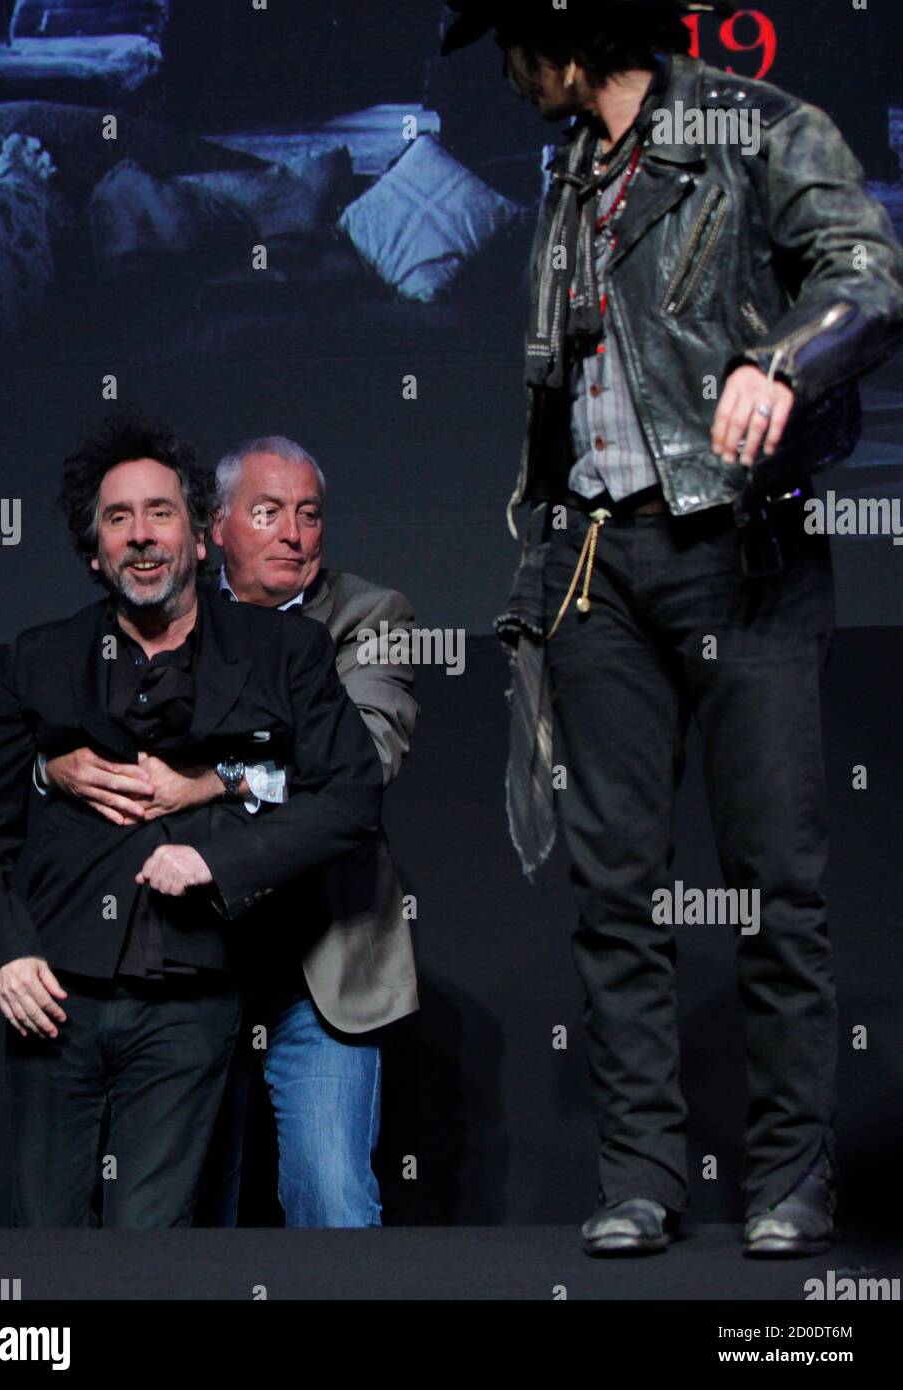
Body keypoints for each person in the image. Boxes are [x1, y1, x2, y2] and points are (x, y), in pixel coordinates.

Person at [441, 0, 903, 1255]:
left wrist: (788, 359)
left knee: (775, 885)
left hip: (737, 549)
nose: (502, 71)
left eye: (508, 43)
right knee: (613, 889)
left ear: (565, 31)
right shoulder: (572, 172)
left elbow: (868, 274)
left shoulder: (758, 129)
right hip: (599, 557)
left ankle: (790, 1178)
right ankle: (641, 1173)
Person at [0, 413, 382, 1227]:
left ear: (199, 536)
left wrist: (219, 860)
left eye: (159, 513)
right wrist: (5, 955)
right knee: (47, 1237)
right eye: (119, 520)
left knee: (152, 1243)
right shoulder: (40, 657)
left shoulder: (282, 651)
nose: (141, 537)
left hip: (194, 994)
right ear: (95, 552)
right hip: (55, 996)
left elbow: (351, 796)